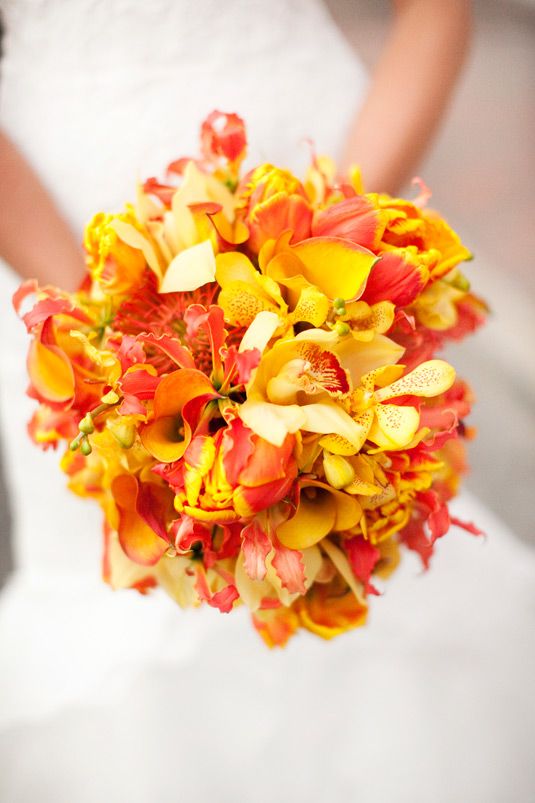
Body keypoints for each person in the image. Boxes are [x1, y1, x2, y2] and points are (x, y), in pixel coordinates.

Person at [0, 2, 534, 801]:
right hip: (55, 220)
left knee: (364, 541)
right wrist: (99, 323)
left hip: (317, 172)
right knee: (114, 580)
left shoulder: (328, 227)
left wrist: (330, 253)